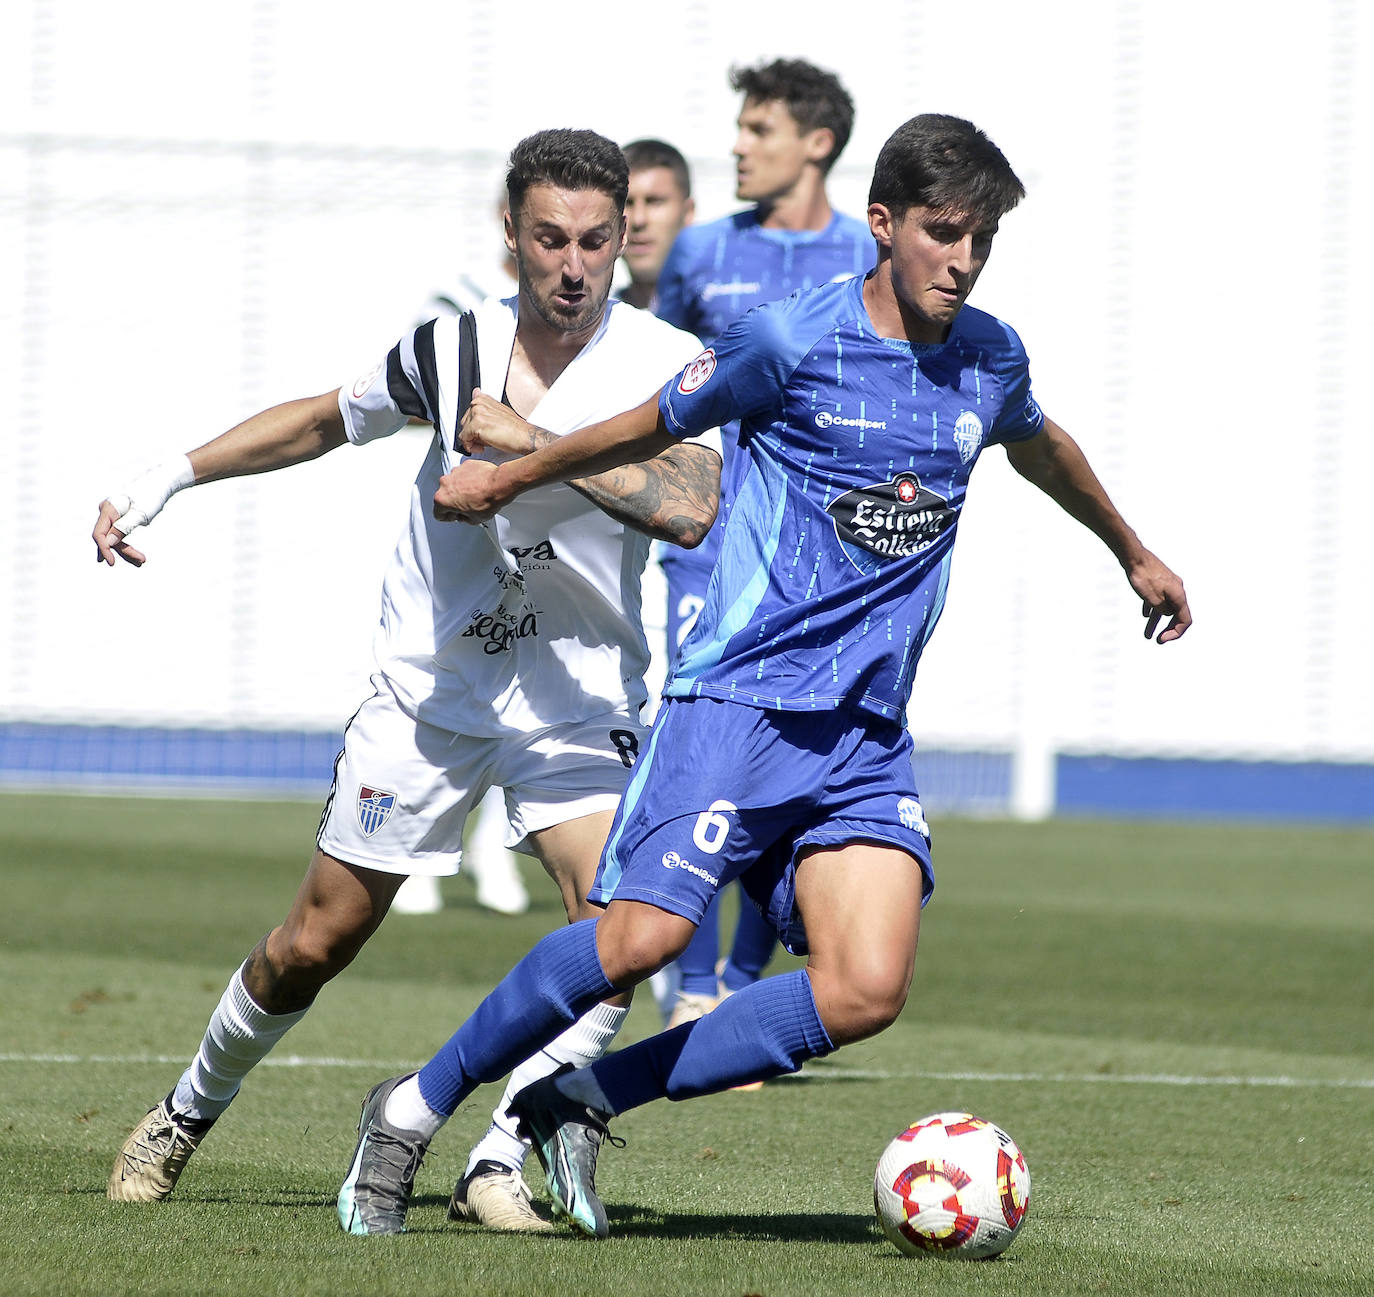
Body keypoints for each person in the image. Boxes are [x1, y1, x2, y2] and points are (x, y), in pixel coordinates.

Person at [336, 111, 1191, 1240]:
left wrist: (1131, 548)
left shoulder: (990, 355)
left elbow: (1039, 441)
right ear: (882, 225)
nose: (964, 260)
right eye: (944, 234)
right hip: (735, 701)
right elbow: (644, 422)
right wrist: (509, 478)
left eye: (981, 240)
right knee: (639, 939)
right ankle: (411, 1105)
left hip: (862, 729)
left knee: (865, 986)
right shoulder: (791, 341)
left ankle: (581, 1098)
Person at [96, 128, 722, 1235]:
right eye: (548, 239)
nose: (572, 265)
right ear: (510, 232)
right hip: (433, 692)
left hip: (577, 699)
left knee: (626, 930)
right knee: (314, 943)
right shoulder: (450, 348)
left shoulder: (669, 359)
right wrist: (173, 473)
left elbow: (689, 504)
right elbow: (322, 421)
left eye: (595, 240)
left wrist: (528, 444)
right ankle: (184, 1111)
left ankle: (496, 1152)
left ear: (626, 235)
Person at [653, 59, 874, 1030]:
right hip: (714, 547)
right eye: (740, 128)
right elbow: (650, 385)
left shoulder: (864, 258)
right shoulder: (701, 255)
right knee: (698, 748)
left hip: (824, 565)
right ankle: (686, 983)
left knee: (801, 757)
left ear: (816, 143)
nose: (739, 146)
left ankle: (741, 982)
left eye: (759, 130)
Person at [397, 188, 527, 920]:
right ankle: (416, 848)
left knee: (533, 687)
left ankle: (488, 848)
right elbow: (414, 402)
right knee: (441, 679)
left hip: (545, 529)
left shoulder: (594, 315)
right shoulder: (458, 301)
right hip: (460, 526)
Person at [617, 139, 695, 313]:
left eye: (654, 202)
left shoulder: (720, 317)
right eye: (627, 203)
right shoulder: (586, 326)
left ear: (688, 212)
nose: (638, 220)